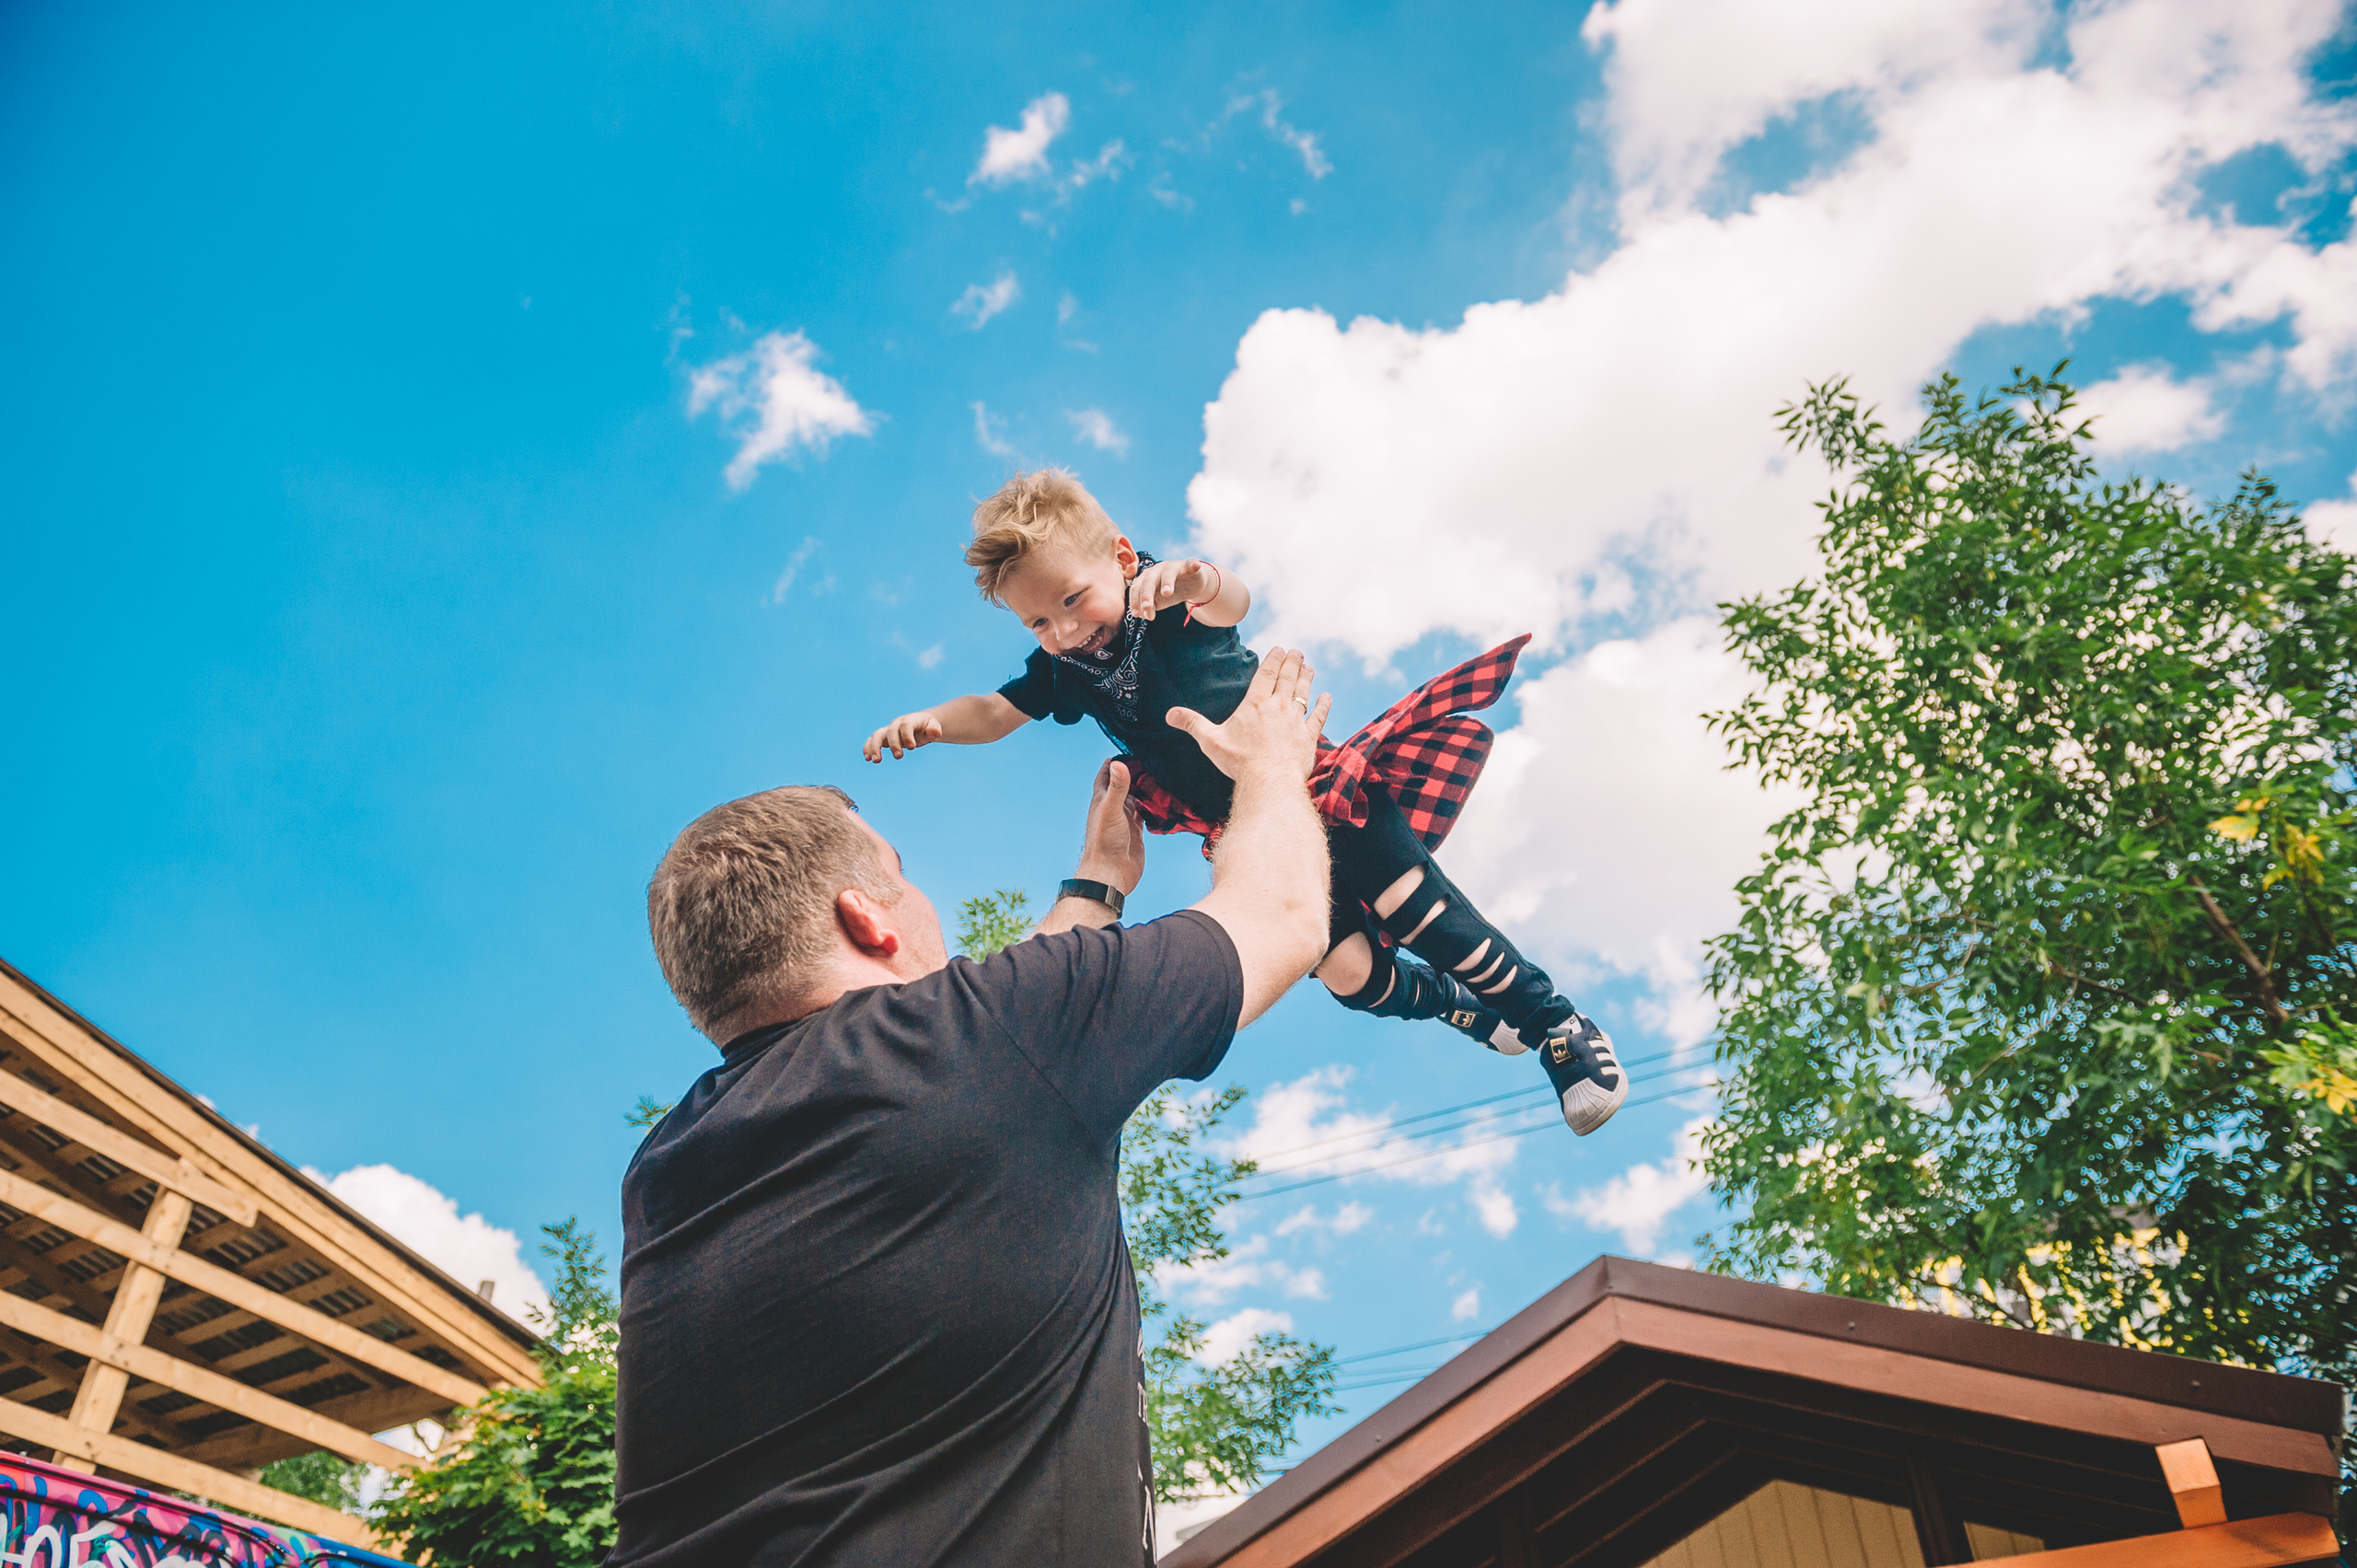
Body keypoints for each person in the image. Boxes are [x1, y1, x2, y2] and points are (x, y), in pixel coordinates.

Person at [613, 648, 1333, 1566]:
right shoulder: (986, 1036)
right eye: (900, 872)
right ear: (866, 917)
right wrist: (1272, 764)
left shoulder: (665, 1170)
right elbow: (1283, 912)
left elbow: (990, 1045)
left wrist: (1095, 887)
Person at [861, 468, 1628, 1135]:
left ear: (1121, 560)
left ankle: (1555, 1022)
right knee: (1345, 970)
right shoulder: (1064, 668)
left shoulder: (1164, 597)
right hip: (1257, 828)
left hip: (1312, 781)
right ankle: (1462, 1006)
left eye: (1073, 599)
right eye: (1037, 621)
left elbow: (1232, 600)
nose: (1063, 629)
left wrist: (1195, 580)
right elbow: (995, 710)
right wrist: (933, 723)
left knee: (1414, 906)